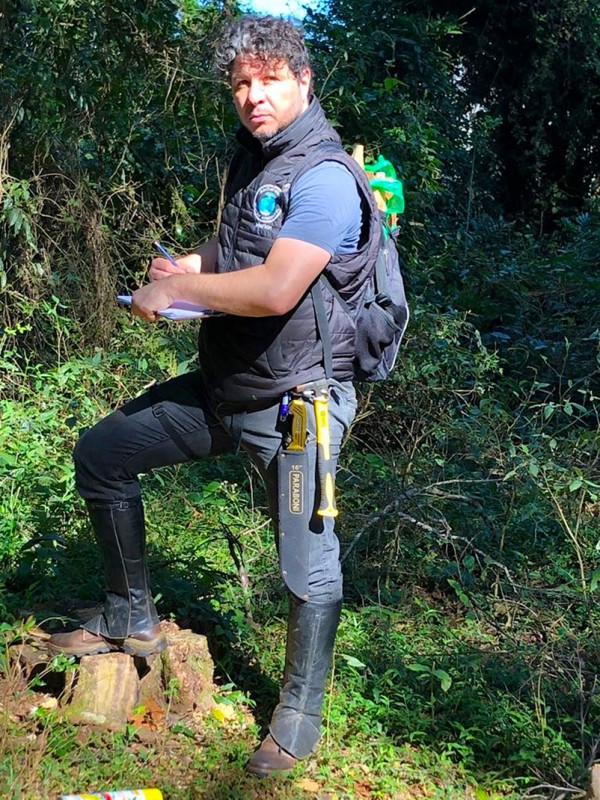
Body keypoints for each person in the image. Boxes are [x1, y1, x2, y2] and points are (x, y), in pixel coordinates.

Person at [48, 14, 380, 778]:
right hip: (228, 388)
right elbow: (239, 252)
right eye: (240, 84)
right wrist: (190, 267)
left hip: (296, 407)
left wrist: (178, 293)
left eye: (269, 80)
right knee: (103, 453)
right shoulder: (256, 162)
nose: (253, 96)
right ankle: (129, 613)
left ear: (304, 81)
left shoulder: (325, 178)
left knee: (307, 562)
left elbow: (277, 286)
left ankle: (298, 718)